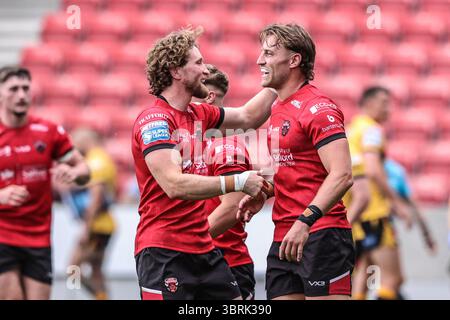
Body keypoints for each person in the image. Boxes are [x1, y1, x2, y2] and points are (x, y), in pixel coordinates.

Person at [132, 27, 277, 300]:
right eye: (198, 63)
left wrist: (279, 80)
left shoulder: (199, 114)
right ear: (176, 71)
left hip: (204, 250)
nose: (205, 71)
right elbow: (174, 185)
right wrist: (238, 182)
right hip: (164, 251)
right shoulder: (155, 121)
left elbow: (248, 116)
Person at [238, 23, 355, 300]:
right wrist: (267, 191)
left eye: (268, 53)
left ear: (294, 60)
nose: (259, 60)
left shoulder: (318, 108)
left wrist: (305, 221)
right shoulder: (277, 107)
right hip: (284, 234)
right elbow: (298, 169)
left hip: (320, 233)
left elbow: (342, 174)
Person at [0, 66, 90, 300]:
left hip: (38, 237)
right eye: (13, 89)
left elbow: (84, 170)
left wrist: (74, 175)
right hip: (3, 235)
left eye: (25, 88)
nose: (21, 95)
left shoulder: (48, 132)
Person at [193, 64, 256, 300]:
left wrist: (187, 243)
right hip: (204, 260)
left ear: (208, 97)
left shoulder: (225, 145)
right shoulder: (198, 143)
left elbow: (231, 209)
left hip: (225, 263)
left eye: (191, 94)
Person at [345, 86, 413, 300]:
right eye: (384, 102)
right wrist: (398, 203)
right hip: (375, 213)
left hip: (357, 216)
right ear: (368, 103)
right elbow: (373, 170)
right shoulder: (372, 130)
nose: (389, 108)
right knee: (393, 280)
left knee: (362, 280)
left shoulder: (350, 130)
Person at [58, 128, 118, 300]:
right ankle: (100, 296)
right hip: (103, 226)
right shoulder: (100, 159)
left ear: (86, 139)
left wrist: (86, 229)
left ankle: (77, 296)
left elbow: (96, 196)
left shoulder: (96, 161)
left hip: (96, 227)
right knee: (96, 269)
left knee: (73, 268)